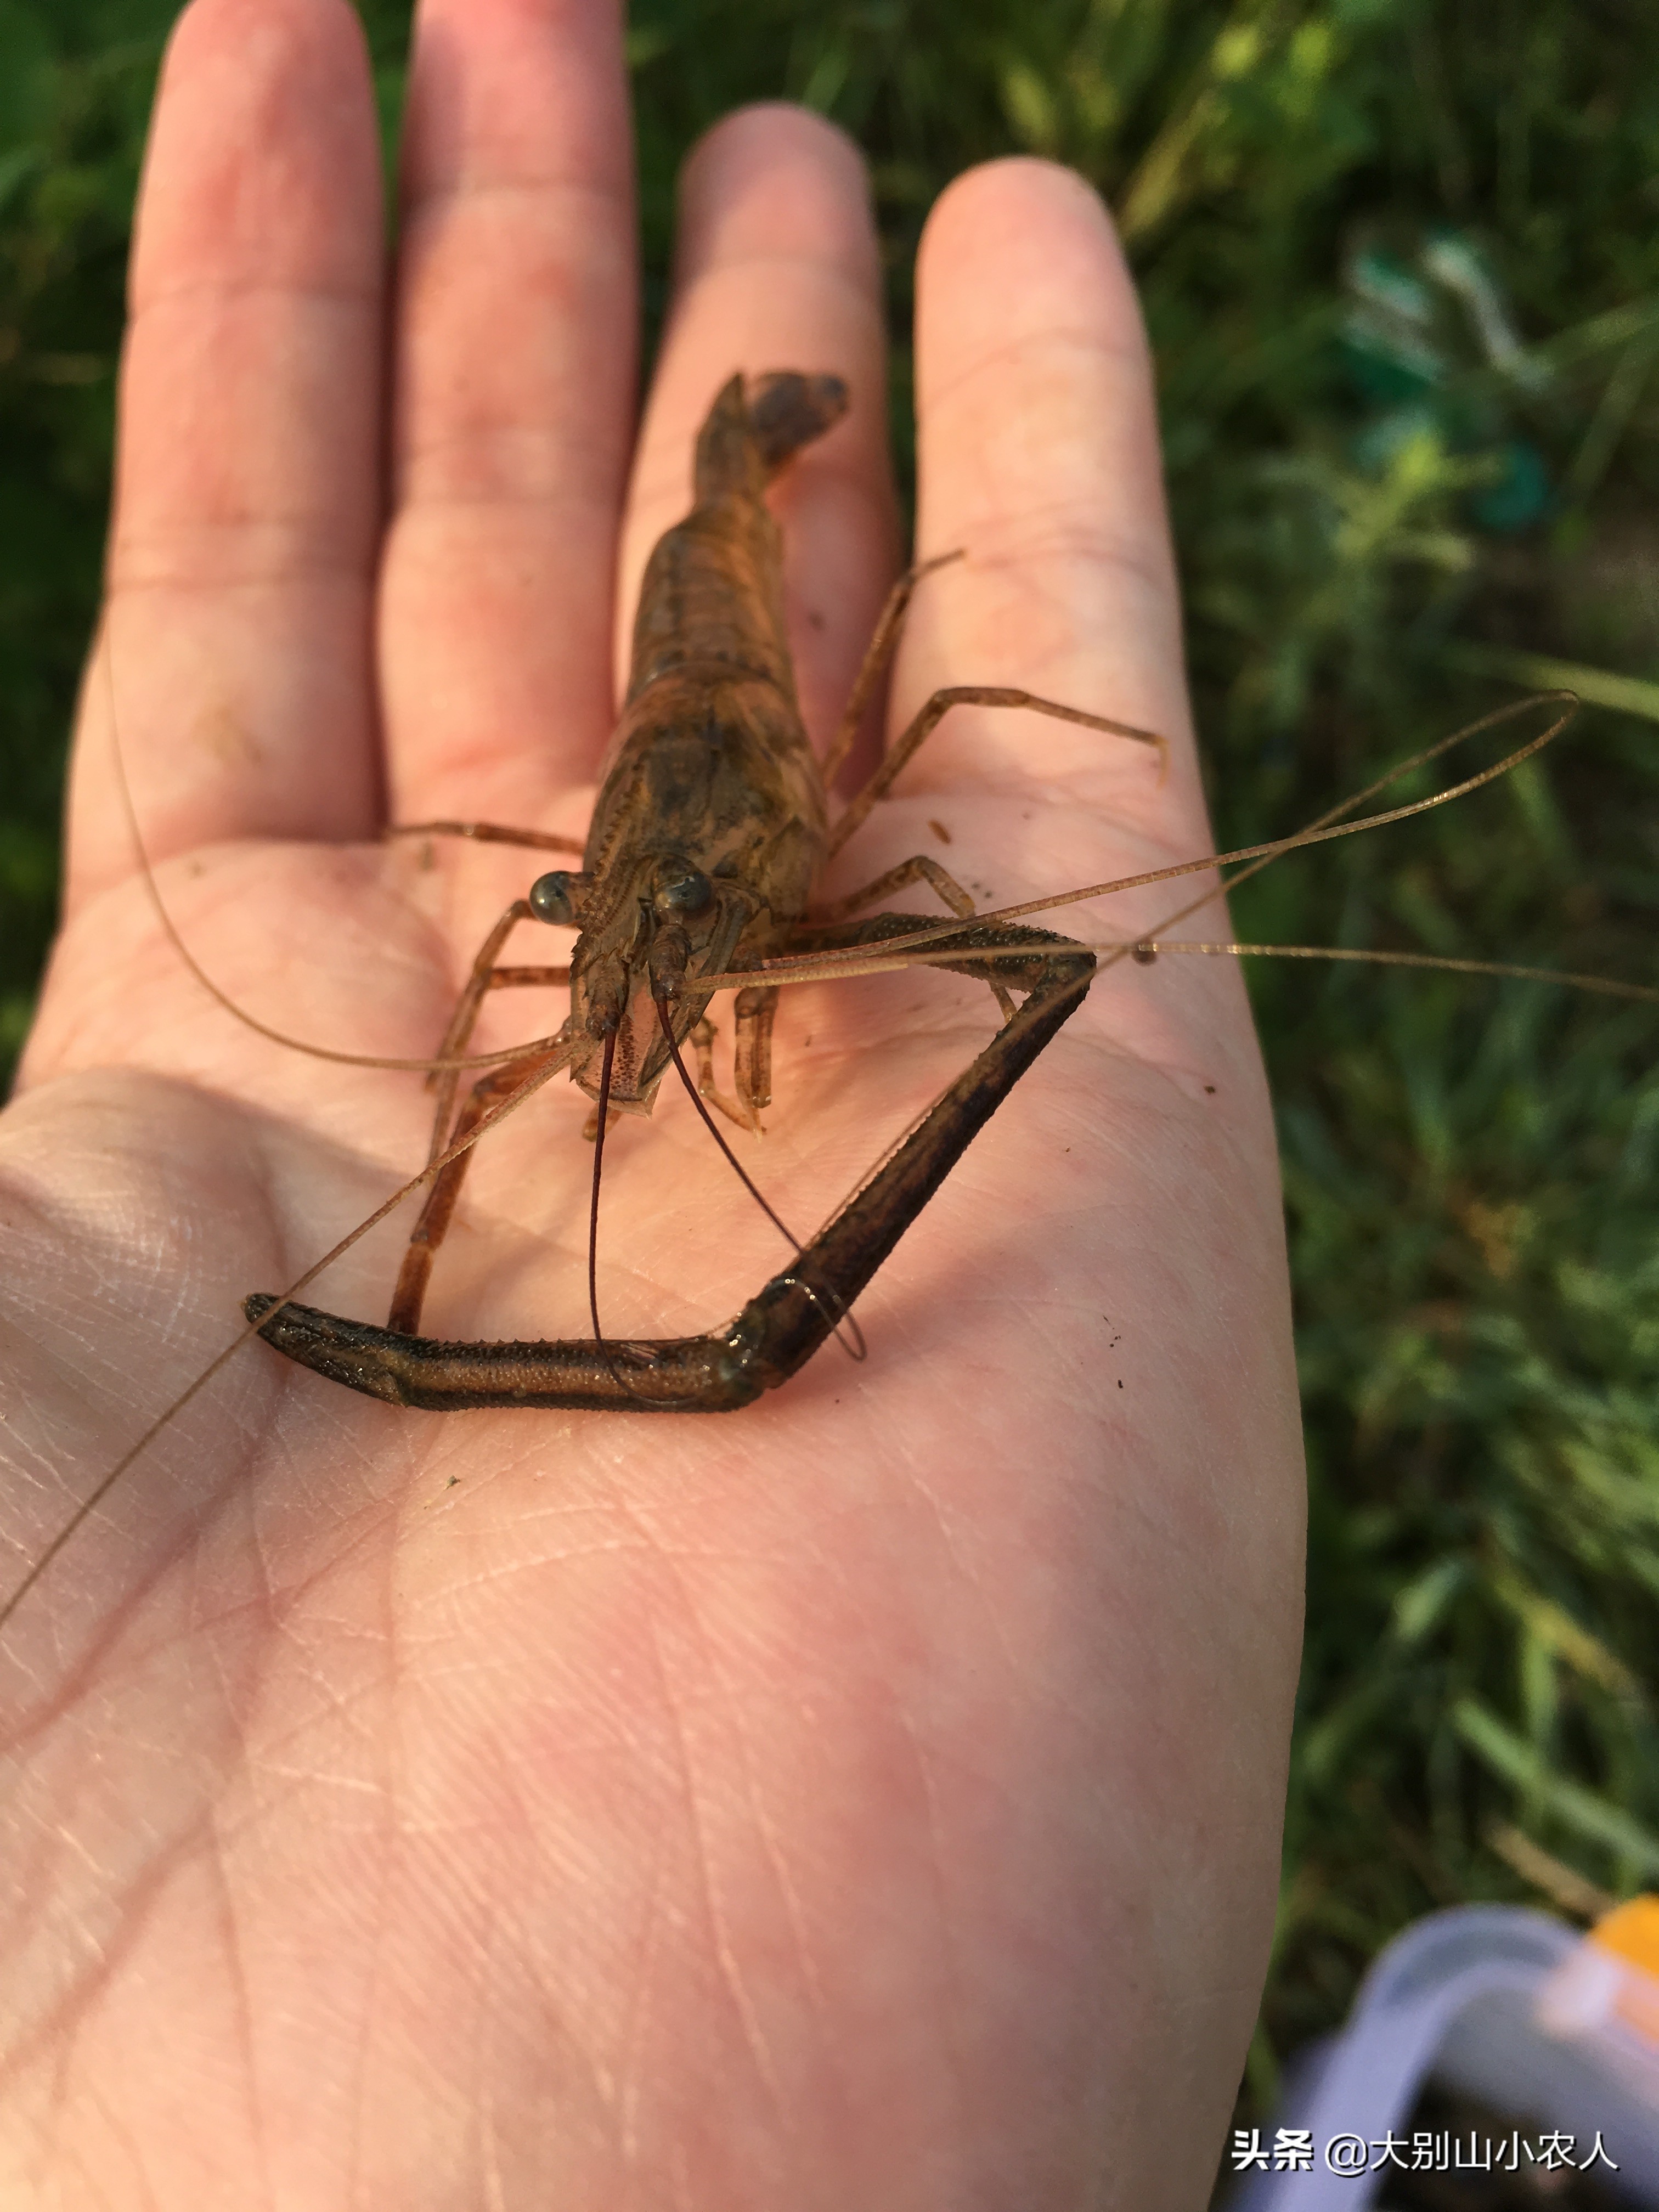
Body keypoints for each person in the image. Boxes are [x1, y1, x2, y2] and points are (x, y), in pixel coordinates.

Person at [0, 0, 1305, 2201]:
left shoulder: (810, 822)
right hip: (676, 713)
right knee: (542, 1035)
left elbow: (944, 740)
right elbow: (561, 955)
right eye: (613, 932)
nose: (634, 993)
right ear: (585, 882)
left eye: (667, 946)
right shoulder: (599, 916)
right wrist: (585, 1001)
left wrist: (769, 959)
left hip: (733, 708)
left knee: (890, 752)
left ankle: (759, 460)